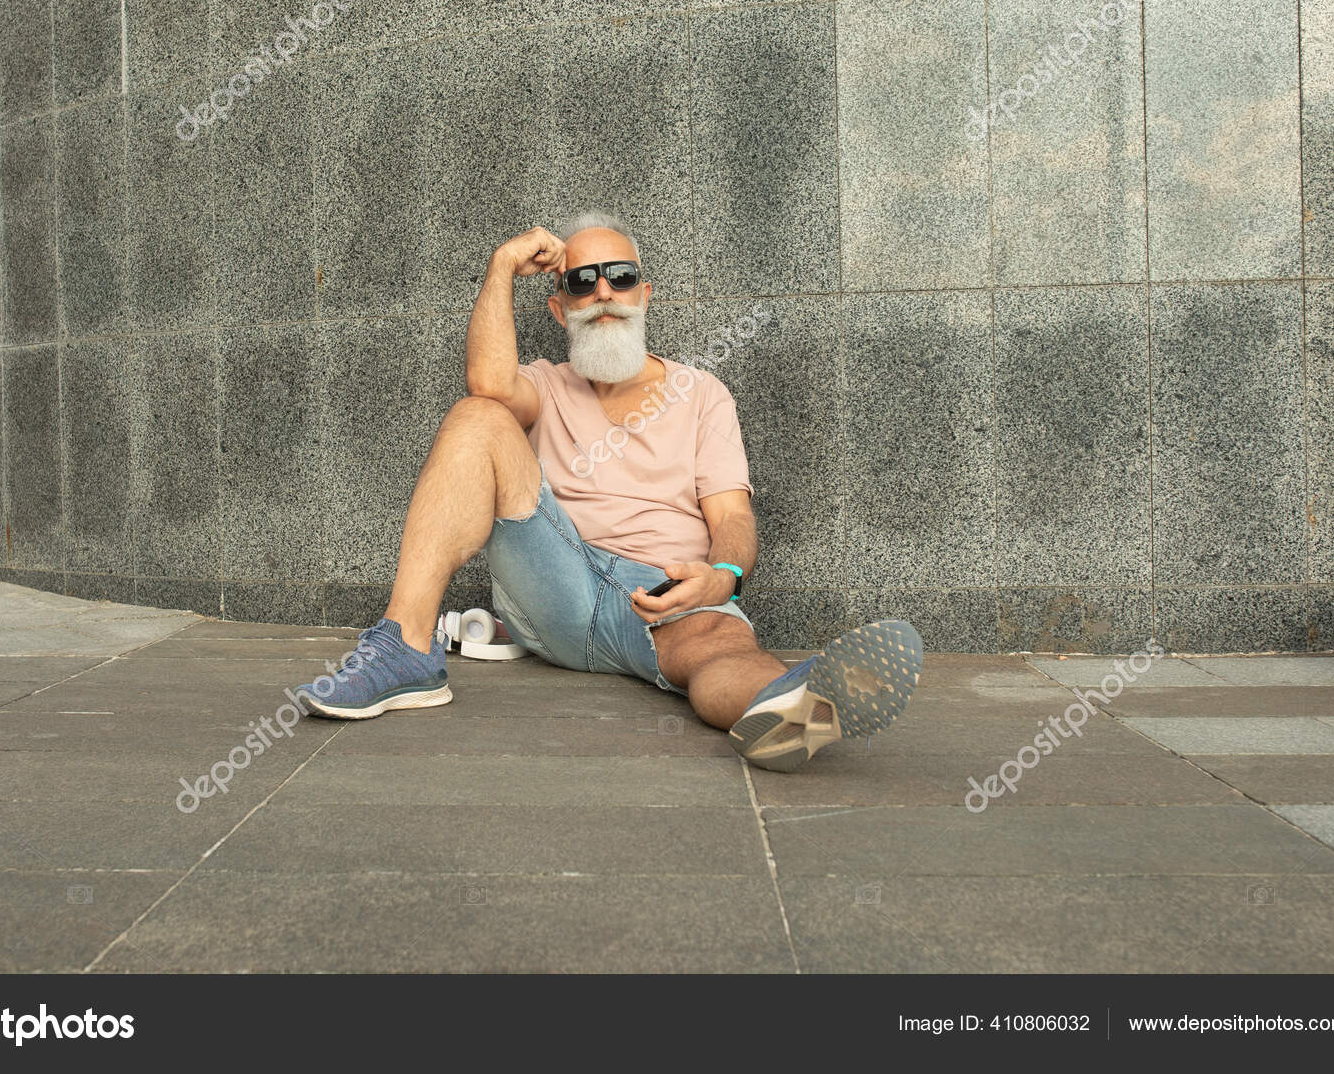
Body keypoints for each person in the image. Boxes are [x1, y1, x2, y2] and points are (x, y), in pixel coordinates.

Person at [291, 212, 922, 771]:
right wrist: (504, 264)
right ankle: (406, 648)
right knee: (478, 415)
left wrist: (723, 575)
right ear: (559, 308)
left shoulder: (701, 393)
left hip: (663, 589)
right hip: (556, 582)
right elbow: (487, 380)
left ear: (645, 294)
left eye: (620, 277)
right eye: (580, 281)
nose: (603, 292)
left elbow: (731, 513)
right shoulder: (545, 384)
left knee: (720, 646)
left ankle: (791, 707)